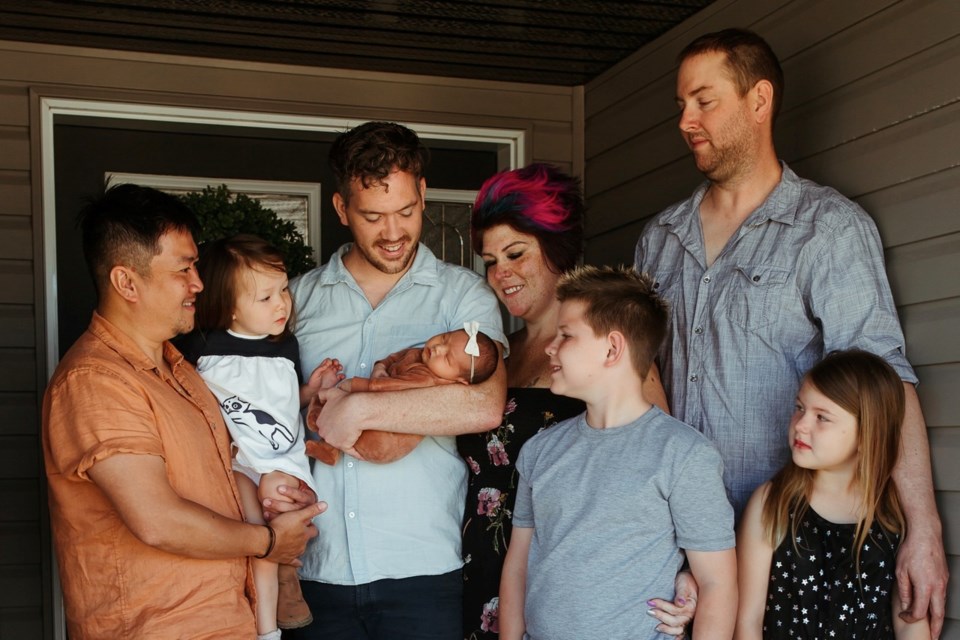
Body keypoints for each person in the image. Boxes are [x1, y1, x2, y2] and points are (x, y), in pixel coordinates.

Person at [634, 28, 947, 635]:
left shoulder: (827, 230)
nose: (686, 120)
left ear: (759, 101)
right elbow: (643, 378)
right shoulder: (659, 239)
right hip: (672, 542)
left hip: (788, 546)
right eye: (681, 106)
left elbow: (884, 381)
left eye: (704, 100)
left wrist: (924, 529)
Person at [42, 184, 324, 639]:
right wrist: (270, 541)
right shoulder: (96, 381)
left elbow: (234, 472)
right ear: (126, 282)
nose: (198, 282)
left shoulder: (184, 372)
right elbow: (157, 521)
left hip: (231, 622)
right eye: (184, 269)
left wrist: (281, 494)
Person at [286, 121, 508, 640]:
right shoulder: (297, 301)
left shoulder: (463, 298)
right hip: (317, 573)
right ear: (341, 210)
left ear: (424, 194)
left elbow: (483, 406)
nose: (393, 233)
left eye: (406, 212)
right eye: (372, 216)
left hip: (424, 573)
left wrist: (361, 408)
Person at [462, 163, 679, 639]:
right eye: (491, 261)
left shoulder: (605, 353)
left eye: (515, 253)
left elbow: (658, 472)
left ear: (555, 248)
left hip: (564, 591)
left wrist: (686, 576)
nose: (501, 274)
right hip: (480, 577)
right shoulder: (497, 351)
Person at [499, 265, 736, 640]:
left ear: (612, 348)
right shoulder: (540, 451)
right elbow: (517, 566)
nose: (550, 347)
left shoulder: (684, 455)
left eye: (566, 335)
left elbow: (718, 584)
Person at [178, 234, 340, 637]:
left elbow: (280, 404)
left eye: (283, 289)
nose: (282, 303)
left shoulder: (285, 345)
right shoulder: (203, 349)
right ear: (229, 308)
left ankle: (275, 610)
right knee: (260, 539)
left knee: (272, 537)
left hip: (281, 462)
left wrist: (311, 389)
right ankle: (266, 623)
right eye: (265, 298)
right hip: (236, 464)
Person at [736, 350, 931, 639]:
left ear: (867, 434)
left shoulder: (891, 513)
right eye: (800, 408)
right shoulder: (772, 503)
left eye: (822, 417)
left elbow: (908, 620)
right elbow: (748, 620)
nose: (801, 424)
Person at [309, 324, 499, 465]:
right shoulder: (421, 355)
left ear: (460, 380)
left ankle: (321, 422)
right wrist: (380, 366)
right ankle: (329, 447)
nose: (438, 348)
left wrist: (357, 384)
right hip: (376, 406)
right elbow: (394, 357)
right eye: (444, 338)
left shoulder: (426, 379)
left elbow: (391, 388)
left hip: (386, 439)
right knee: (343, 408)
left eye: (447, 358)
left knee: (342, 391)